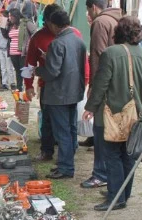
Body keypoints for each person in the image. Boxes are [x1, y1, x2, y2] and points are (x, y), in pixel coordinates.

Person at [83, 16, 142, 211]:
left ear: (118, 32)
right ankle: (122, 194)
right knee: (128, 154)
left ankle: (115, 197)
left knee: (112, 155)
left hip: (112, 114)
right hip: (136, 113)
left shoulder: (111, 53)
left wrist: (90, 107)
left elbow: (101, 84)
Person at [25, 4, 90, 162]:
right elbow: (29, 63)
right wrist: (28, 85)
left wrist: (86, 80)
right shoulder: (38, 37)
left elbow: (83, 61)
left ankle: (67, 157)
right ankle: (48, 151)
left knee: (67, 124)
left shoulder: (72, 35)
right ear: (47, 21)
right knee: (48, 120)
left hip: (67, 86)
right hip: (50, 86)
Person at [80, 0, 122, 189]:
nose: (88, 14)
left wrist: (93, 87)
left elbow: (97, 55)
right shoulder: (116, 19)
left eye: (88, 10)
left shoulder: (100, 23)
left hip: (104, 83)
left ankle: (100, 174)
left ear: (93, 7)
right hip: (117, 83)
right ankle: (107, 173)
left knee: (99, 128)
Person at [0, 9, 13, 91]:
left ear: (6, 18)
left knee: (10, 67)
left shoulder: (10, 27)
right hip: (0, 50)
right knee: (2, 68)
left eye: (1, 16)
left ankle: (12, 83)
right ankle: (4, 83)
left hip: (8, 50)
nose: (0, 18)